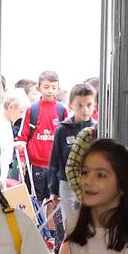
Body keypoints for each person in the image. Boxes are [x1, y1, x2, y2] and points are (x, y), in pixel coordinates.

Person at [45, 83, 98, 223]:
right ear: (71, 106)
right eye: (79, 105)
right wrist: (53, 189)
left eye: (89, 105)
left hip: (90, 182)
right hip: (67, 183)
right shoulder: (62, 130)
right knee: (70, 222)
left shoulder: (97, 129)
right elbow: (55, 160)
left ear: (95, 105)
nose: (85, 110)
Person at [16, 70, 69, 203]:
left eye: (53, 87)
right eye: (46, 87)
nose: (50, 90)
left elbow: (67, 138)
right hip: (36, 166)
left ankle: (51, 225)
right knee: (36, 200)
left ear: (58, 88)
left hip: (55, 166)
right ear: (39, 88)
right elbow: (22, 138)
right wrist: (22, 160)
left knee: (54, 200)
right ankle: (38, 224)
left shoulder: (62, 110)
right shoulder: (32, 110)